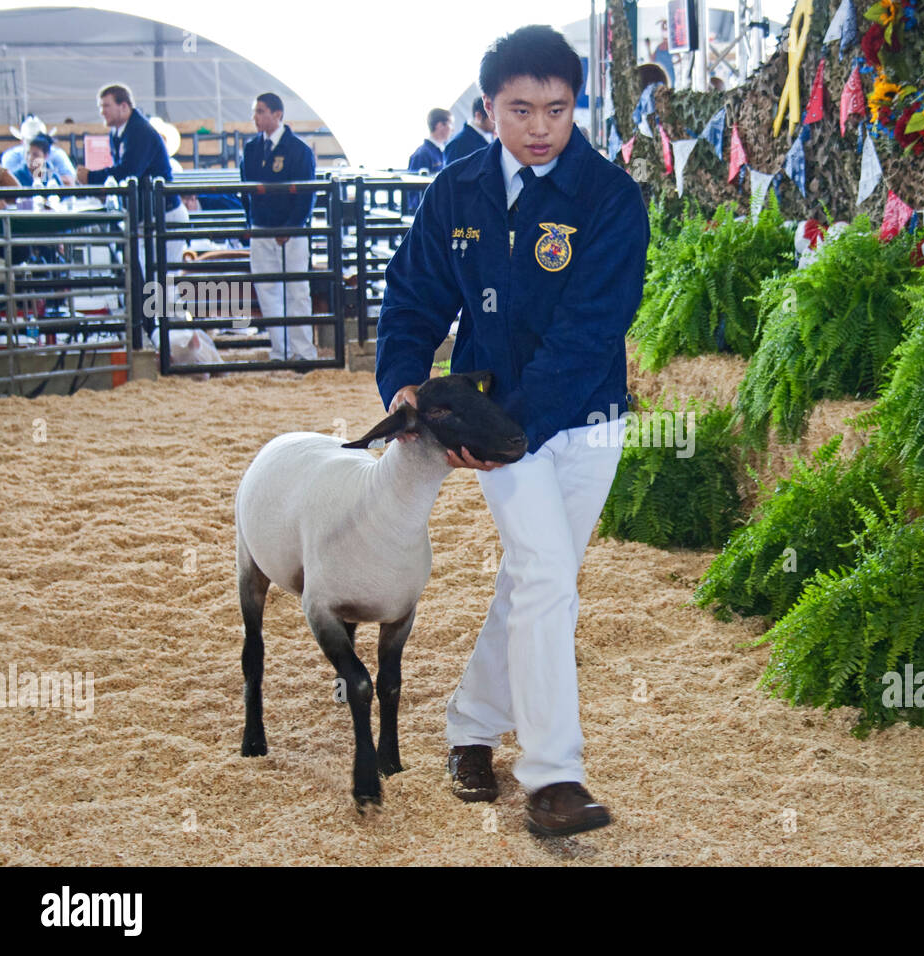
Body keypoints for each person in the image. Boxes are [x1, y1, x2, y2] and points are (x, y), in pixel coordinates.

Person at [376, 24, 648, 838]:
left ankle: (467, 725)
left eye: (557, 111)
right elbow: (414, 296)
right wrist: (404, 388)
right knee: (545, 578)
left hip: (582, 417)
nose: (539, 127)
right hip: (496, 419)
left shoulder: (607, 197)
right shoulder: (454, 192)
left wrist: (510, 428)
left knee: (540, 579)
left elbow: (591, 328)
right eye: (520, 110)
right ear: (487, 106)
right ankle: (553, 778)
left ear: (576, 108)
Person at [76, 83, 189, 345]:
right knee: (153, 281)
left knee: (161, 280)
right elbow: (126, 173)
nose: (101, 111)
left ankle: (180, 342)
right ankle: (166, 342)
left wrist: (92, 177)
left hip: (164, 214)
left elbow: (129, 171)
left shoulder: (138, 131)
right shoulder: (122, 133)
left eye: (106, 105)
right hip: (147, 216)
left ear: (124, 106)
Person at [240, 92, 318, 362]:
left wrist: (292, 226)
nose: (256, 117)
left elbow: (307, 194)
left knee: (297, 290)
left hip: (290, 232)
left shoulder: (298, 150)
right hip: (262, 228)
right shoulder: (251, 150)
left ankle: (303, 351)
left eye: (261, 111)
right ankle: (280, 350)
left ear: (278, 114)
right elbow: (245, 190)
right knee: (267, 290)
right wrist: (250, 222)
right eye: (255, 111)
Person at [0, 115, 76, 186]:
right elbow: (8, 183)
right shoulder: (12, 158)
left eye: (35, 154)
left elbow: (69, 183)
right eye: (28, 153)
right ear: (22, 142)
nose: (30, 158)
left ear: (45, 155)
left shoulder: (56, 159)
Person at [442, 96, 496, 167]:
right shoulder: (457, 145)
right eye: (493, 117)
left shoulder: (490, 138)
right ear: (478, 116)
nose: (497, 122)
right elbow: (450, 177)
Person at [408, 108, 455, 176]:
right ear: (440, 125)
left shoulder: (444, 151)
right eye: (451, 124)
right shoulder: (422, 155)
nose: (453, 129)